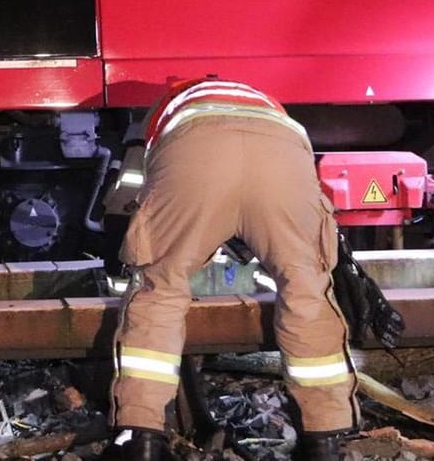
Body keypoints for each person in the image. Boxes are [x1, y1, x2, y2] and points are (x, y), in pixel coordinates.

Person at [102, 78, 356, 461]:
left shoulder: (166, 107)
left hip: (194, 158)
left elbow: (131, 188)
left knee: (160, 292)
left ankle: (142, 438)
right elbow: (259, 178)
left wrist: (124, 247)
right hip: (281, 161)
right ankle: (323, 440)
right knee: (307, 292)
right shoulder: (265, 103)